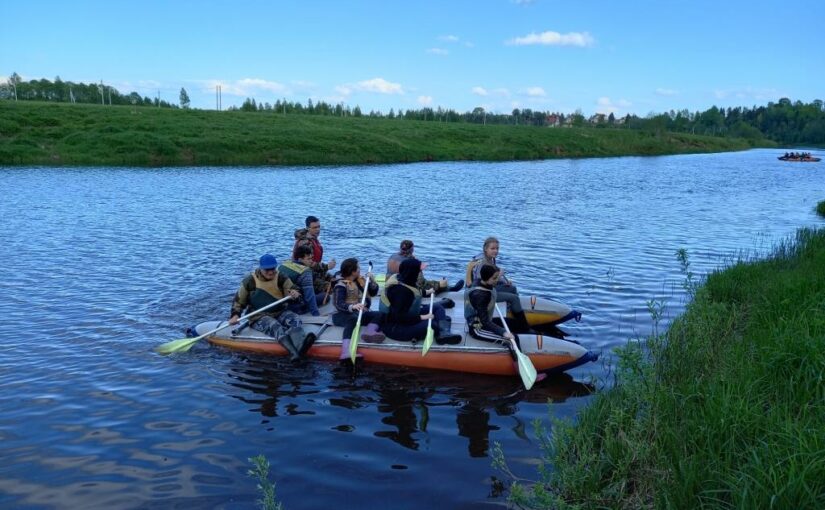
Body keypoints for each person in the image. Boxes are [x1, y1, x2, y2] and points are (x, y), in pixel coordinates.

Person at [465, 264, 546, 381]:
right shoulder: (480, 295)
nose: (497, 280)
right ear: (487, 278)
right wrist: (503, 332)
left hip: (486, 320)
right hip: (478, 328)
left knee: (515, 324)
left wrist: (501, 282)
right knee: (511, 340)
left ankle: (531, 333)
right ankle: (523, 374)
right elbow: (485, 322)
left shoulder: (481, 281)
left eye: (497, 277)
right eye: (495, 278)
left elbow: (492, 286)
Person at [229, 254, 313, 361]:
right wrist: (235, 315)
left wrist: (295, 293)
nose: (270, 272)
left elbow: (293, 288)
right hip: (258, 316)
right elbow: (238, 301)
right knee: (275, 326)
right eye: (267, 270)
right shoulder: (249, 281)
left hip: (280, 311)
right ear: (261, 268)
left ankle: (300, 348)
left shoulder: (281, 277)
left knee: (295, 319)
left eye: (272, 269)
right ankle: (293, 353)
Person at [380, 258, 462, 344]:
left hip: (409, 315)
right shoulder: (400, 292)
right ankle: (441, 330)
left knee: (438, 307)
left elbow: (414, 290)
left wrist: (428, 291)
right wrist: (423, 317)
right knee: (433, 324)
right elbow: (398, 317)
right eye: (418, 271)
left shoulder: (402, 278)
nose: (420, 273)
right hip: (396, 327)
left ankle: (444, 333)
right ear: (413, 272)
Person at [465, 237, 531, 332]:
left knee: (512, 288)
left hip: (487, 287)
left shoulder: (490, 259)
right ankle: (524, 327)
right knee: (514, 298)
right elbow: (483, 282)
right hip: (482, 292)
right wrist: (499, 275)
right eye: (492, 248)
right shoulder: (481, 262)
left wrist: (504, 282)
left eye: (497, 248)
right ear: (485, 249)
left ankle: (512, 311)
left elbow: (491, 277)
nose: (495, 251)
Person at [332, 258, 385, 359]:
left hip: (359, 313)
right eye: (358, 268)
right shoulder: (340, 285)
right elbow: (338, 304)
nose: (360, 270)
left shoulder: (359, 281)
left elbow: (373, 292)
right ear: (353, 272)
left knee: (380, 314)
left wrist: (372, 281)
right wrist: (352, 307)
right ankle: (345, 351)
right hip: (341, 315)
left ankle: (370, 332)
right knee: (352, 319)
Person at [293, 215, 336, 298]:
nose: (318, 229)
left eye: (319, 227)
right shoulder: (306, 243)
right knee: (329, 287)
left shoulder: (312, 238)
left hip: (314, 272)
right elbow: (308, 263)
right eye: (314, 228)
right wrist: (327, 266)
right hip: (305, 275)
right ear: (308, 228)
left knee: (335, 279)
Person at [279, 244, 324, 316]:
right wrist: (316, 314)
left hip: (282, 299)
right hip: (294, 303)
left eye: (311, 258)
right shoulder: (305, 272)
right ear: (300, 259)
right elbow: (310, 296)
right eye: (308, 259)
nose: (311, 261)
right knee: (324, 296)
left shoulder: (285, 263)